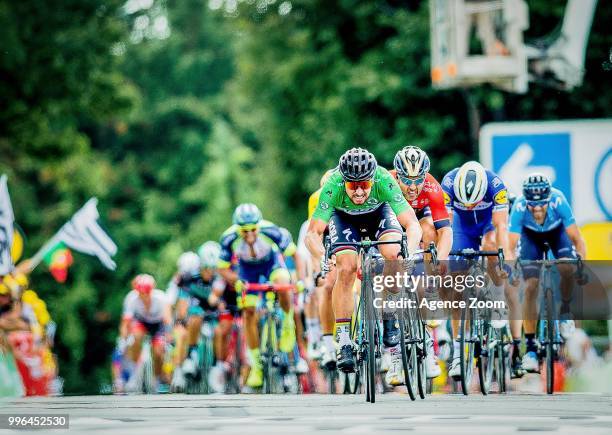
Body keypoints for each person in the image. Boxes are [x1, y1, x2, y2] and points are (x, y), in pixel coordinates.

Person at [306, 147, 422, 387]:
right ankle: (345, 339)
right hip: (344, 219)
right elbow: (313, 233)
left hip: (379, 214)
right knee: (346, 267)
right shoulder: (333, 185)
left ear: (372, 179)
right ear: (344, 181)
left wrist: (408, 249)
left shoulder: (384, 180)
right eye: (352, 185)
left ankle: (390, 315)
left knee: (392, 252)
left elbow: (411, 223)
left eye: (364, 185)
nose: (359, 191)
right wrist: (321, 255)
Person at [441, 161, 514, 379]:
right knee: (456, 287)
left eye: (475, 202)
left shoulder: (496, 186)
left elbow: (501, 227)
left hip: (488, 225)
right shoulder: (449, 183)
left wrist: (506, 257)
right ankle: (457, 354)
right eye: (466, 203)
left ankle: (497, 298)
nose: (470, 206)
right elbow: (446, 227)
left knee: (492, 246)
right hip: (461, 228)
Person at [509, 173, 586, 373]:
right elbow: (510, 245)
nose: (536, 209)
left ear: (548, 200)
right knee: (530, 286)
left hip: (557, 233)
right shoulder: (518, 206)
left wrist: (581, 266)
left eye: (541, 204)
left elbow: (577, 240)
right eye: (532, 205)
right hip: (529, 237)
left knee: (566, 268)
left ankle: (565, 311)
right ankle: (532, 348)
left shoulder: (558, 200)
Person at [217, 203, 297, 389]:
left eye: (253, 229)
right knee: (248, 311)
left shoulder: (271, 231)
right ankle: (256, 366)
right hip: (246, 270)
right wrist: (235, 280)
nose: (250, 234)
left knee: (283, 282)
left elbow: (295, 254)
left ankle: (287, 323)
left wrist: (300, 279)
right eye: (244, 231)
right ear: (238, 229)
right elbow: (222, 268)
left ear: (259, 225)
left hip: (271, 263)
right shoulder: (229, 238)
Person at [391, 145, 453, 380]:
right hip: (397, 217)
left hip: (422, 216)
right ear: (397, 175)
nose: (413, 187)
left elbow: (445, 231)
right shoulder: (387, 182)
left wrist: (441, 262)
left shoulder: (431, 187)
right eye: (407, 180)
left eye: (418, 180)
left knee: (429, 229)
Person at [171, 251, 225, 392]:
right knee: (192, 321)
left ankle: (216, 367)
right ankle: (190, 356)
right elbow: (182, 301)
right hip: (195, 314)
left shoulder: (218, 278)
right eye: (206, 268)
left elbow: (217, 298)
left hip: (212, 315)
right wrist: (182, 318)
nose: (209, 271)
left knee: (219, 331)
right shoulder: (190, 279)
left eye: (212, 268)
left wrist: (216, 300)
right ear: (200, 266)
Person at [118, 274, 172, 393]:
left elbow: (167, 320)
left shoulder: (161, 298)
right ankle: (134, 371)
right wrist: (123, 339)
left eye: (146, 292)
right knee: (135, 337)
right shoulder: (131, 299)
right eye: (140, 293)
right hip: (141, 322)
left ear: (151, 290)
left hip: (158, 324)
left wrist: (168, 337)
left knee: (158, 351)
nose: (143, 296)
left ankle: (156, 378)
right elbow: (125, 323)